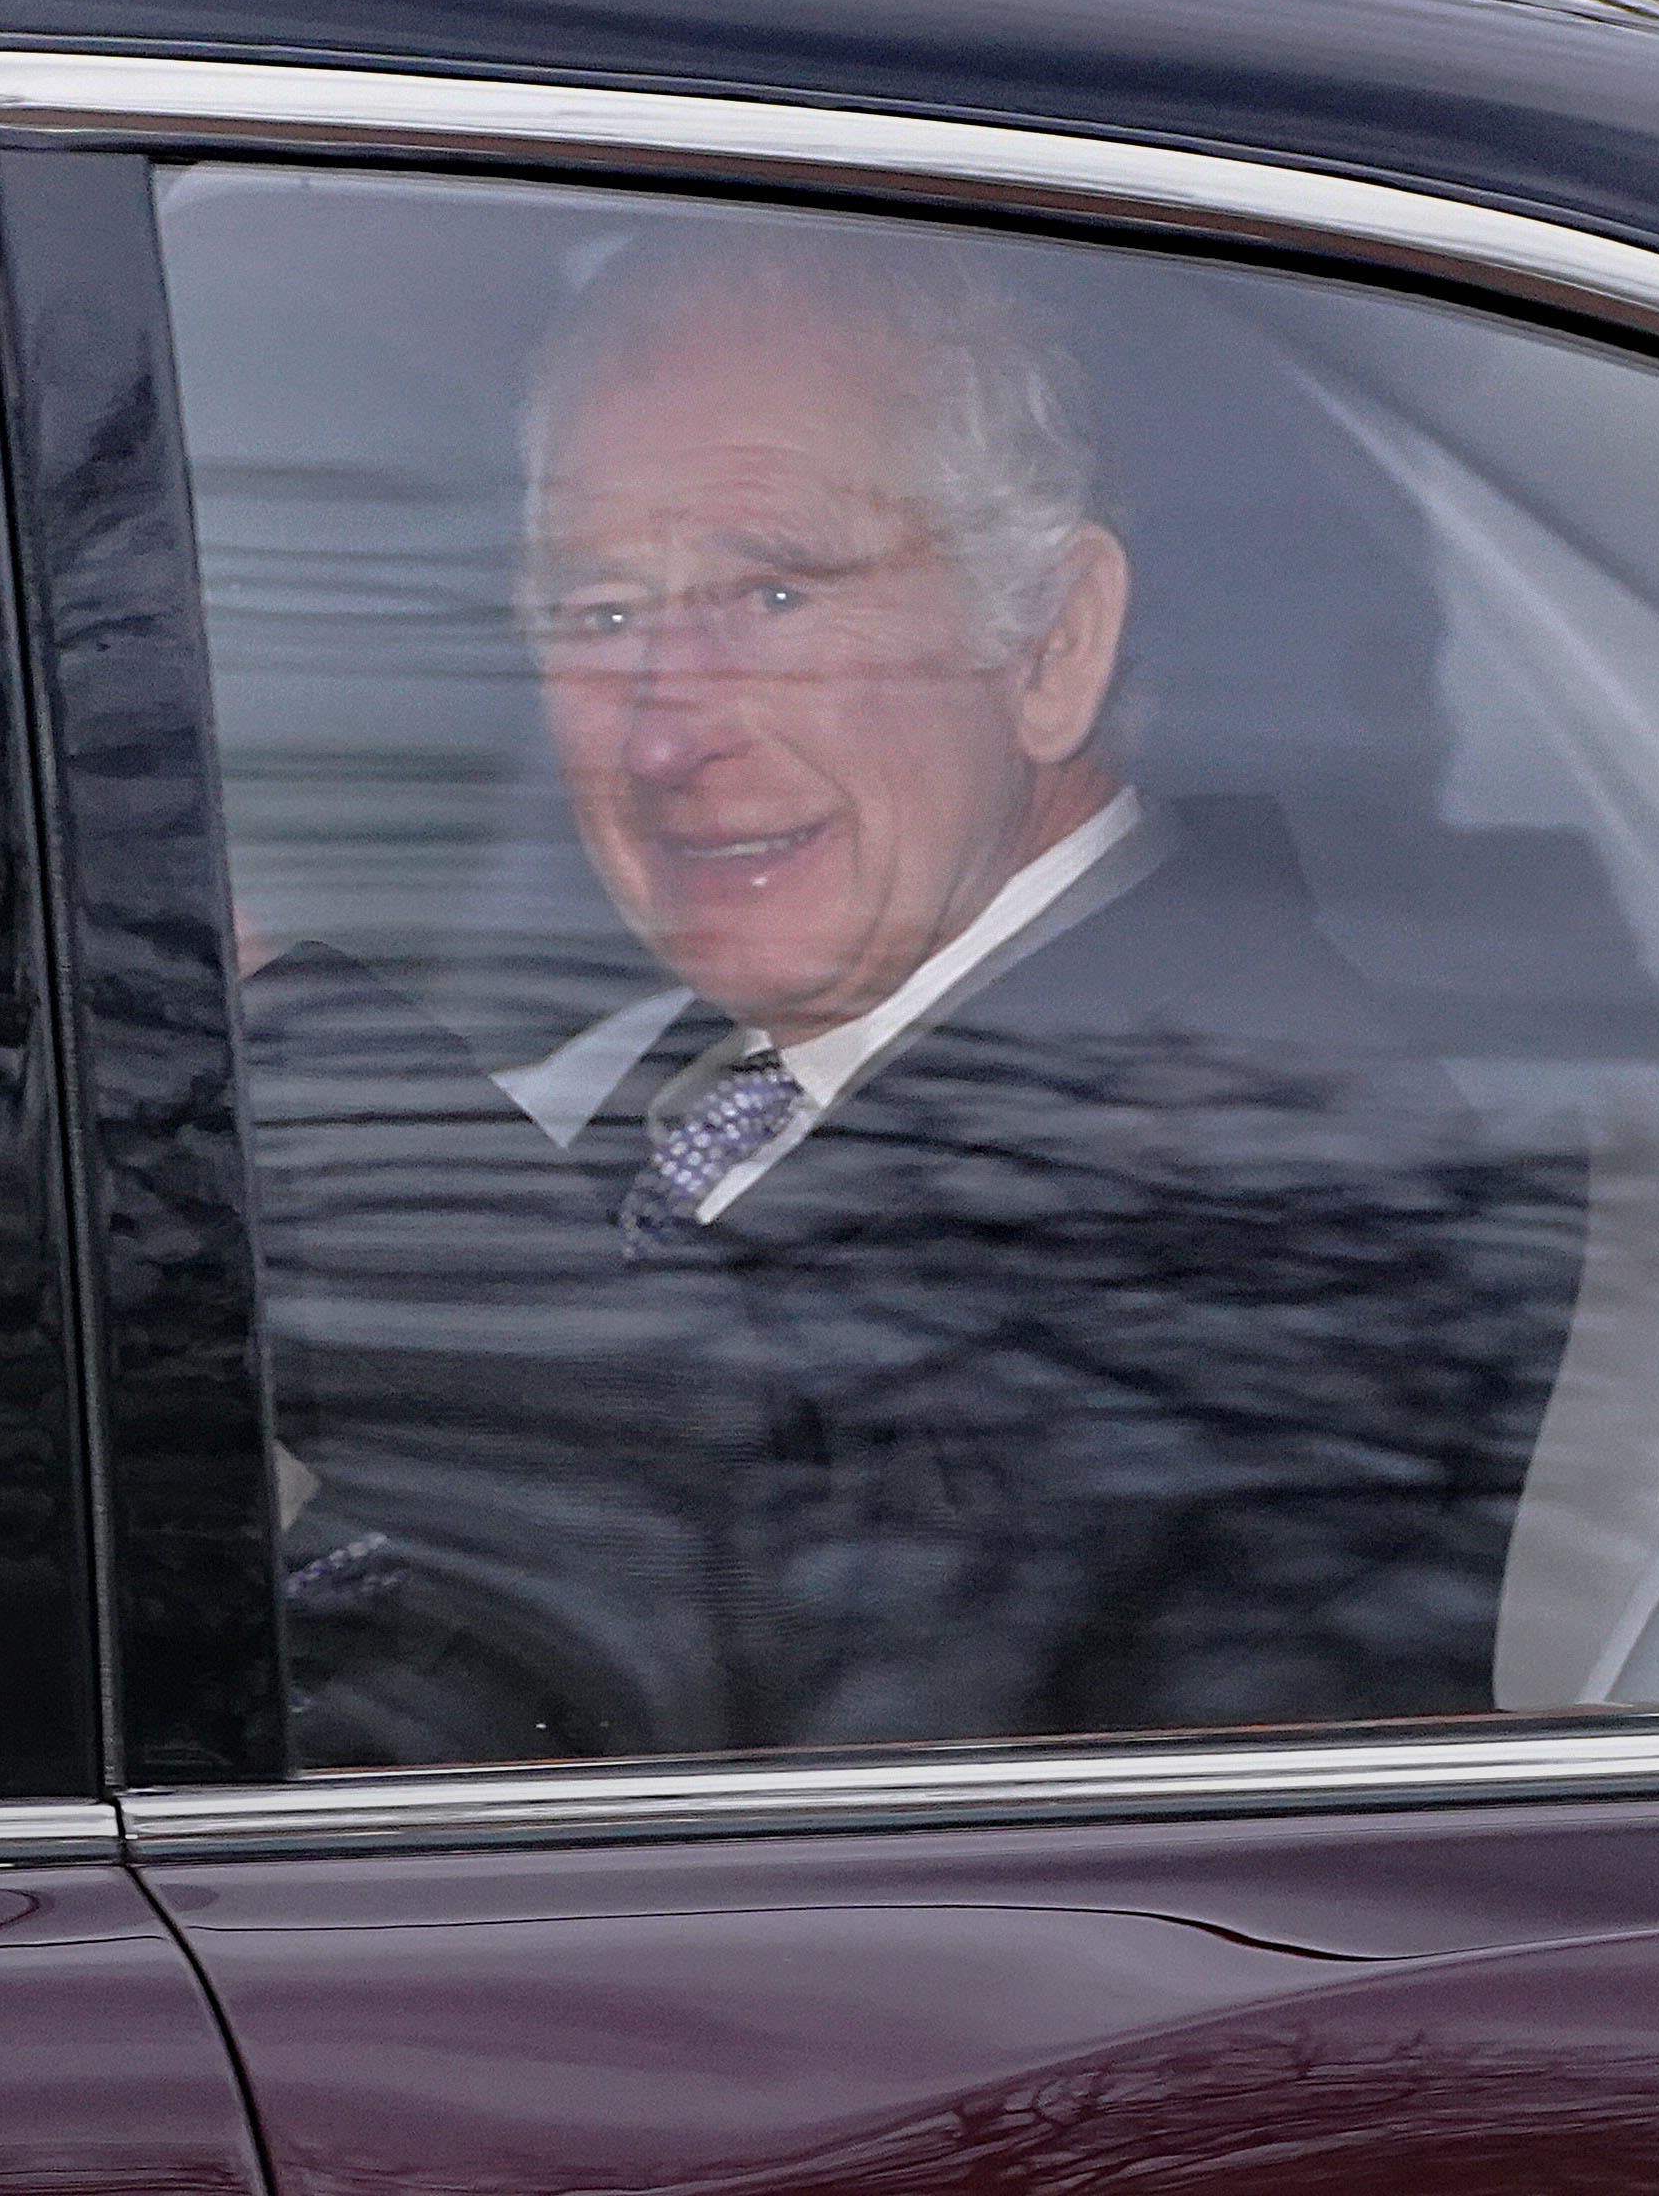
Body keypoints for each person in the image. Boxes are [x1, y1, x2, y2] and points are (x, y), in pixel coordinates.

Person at [259, 223, 1586, 1763]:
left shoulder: (1282, 1153)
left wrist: (257, 1064)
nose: (663, 731)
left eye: (774, 596)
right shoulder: (690, 1076)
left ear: (1051, 646)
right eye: (600, 614)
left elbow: (759, 1615)